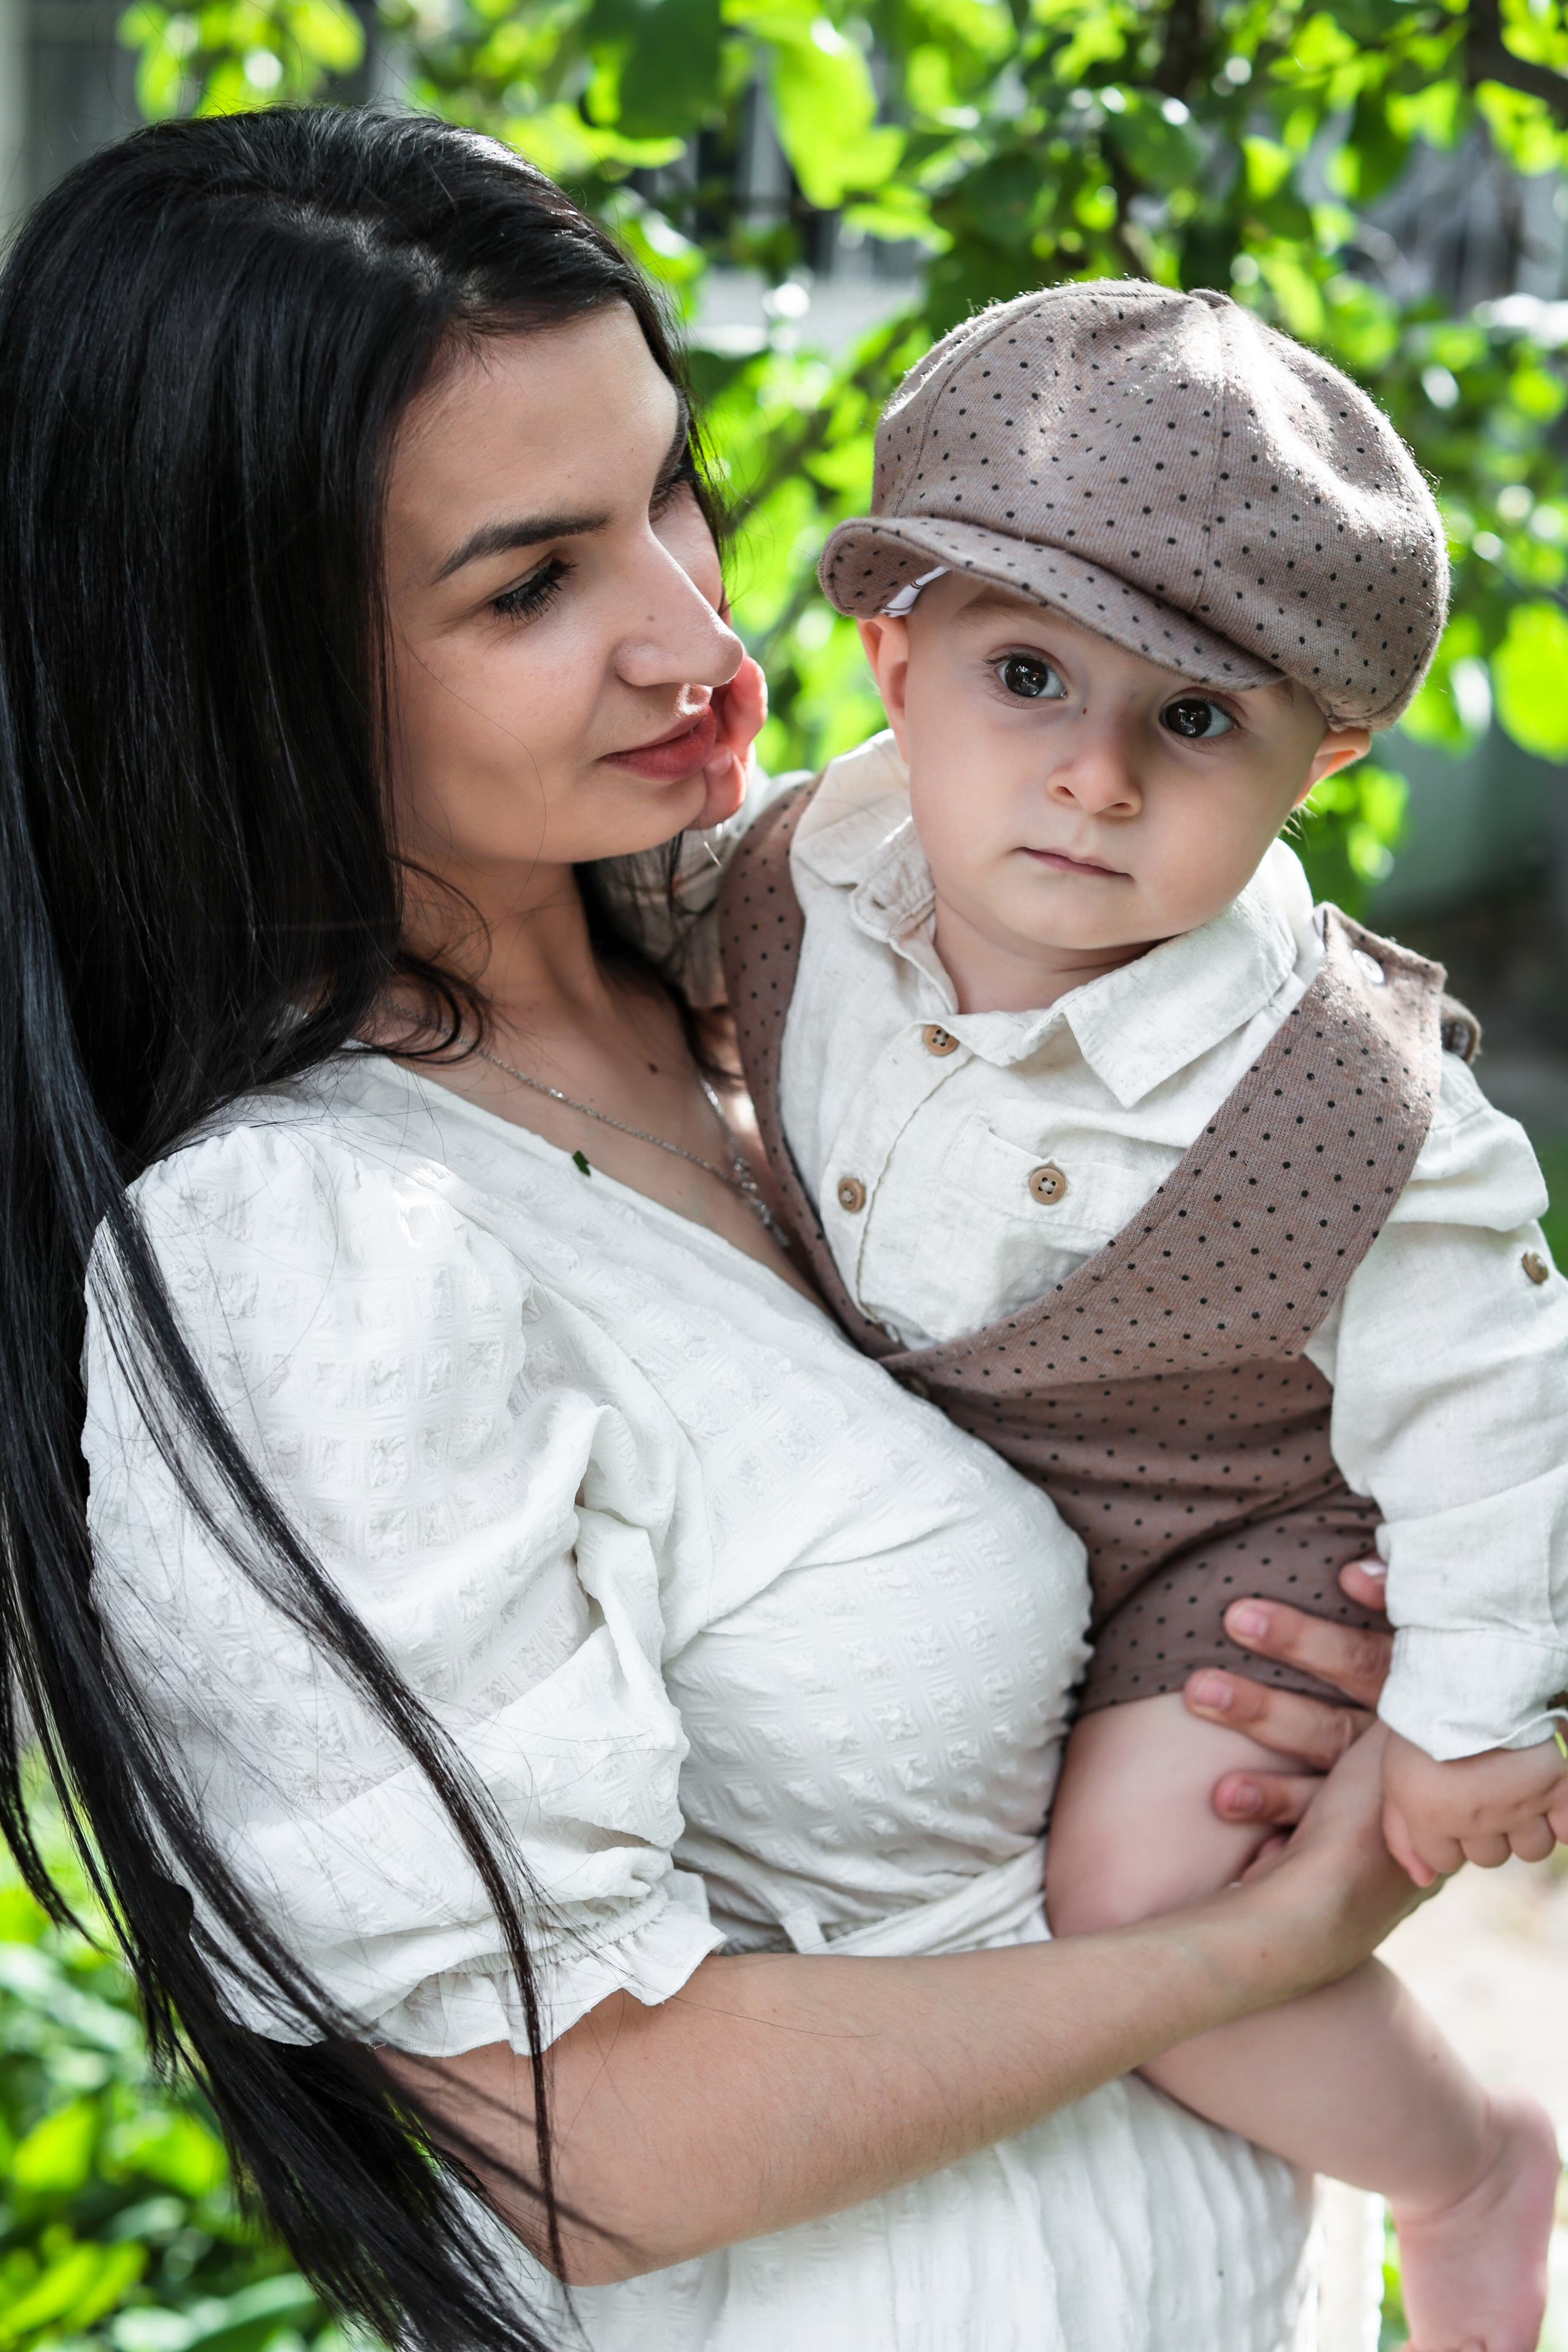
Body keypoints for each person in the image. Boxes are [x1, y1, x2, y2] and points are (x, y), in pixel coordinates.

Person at [1, 111, 1422, 2352]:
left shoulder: (829, 957)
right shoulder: (307, 1252)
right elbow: (582, 2148)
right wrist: (1255, 1946)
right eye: (529, 584)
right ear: (244, 659)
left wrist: (1321, 1602)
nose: (698, 633)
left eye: (671, 490)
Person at [668, 282, 1568, 2352]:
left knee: (1141, 1899)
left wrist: (1471, 1716)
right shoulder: (805, 866)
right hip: (938, 1493)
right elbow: (635, 921)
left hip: (1211, 1536)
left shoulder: (1353, 1098)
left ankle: (1466, 2161)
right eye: (1025, 676)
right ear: (892, 668)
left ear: (1320, 761)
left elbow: (1497, 1398)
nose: (1087, 775)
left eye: (1191, 722)